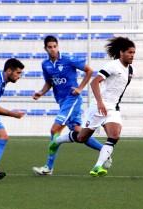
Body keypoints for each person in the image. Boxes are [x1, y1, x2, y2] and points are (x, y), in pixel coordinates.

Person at [48, 36, 136, 177]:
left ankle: (97, 167)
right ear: (121, 52)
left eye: (133, 53)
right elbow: (94, 82)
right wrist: (100, 103)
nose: (132, 55)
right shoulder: (112, 66)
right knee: (82, 137)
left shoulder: (131, 71)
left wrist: (112, 105)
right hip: (98, 106)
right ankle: (57, 140)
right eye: (129, 52)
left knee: (114, 135)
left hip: (112, 109)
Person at [32, 35, 108, 176]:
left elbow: (89, 71)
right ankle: (105, 151)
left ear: (58, 46)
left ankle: (48, 167)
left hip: (72, 99)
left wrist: (79, 88)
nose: (53, 49)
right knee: (80, 134)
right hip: (62, 102)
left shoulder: (68, 59)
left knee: (55, 130)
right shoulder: (45, 64)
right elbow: (49, 82)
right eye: (50, 47)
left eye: (55, 46)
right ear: (45, 48)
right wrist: (41, 93)